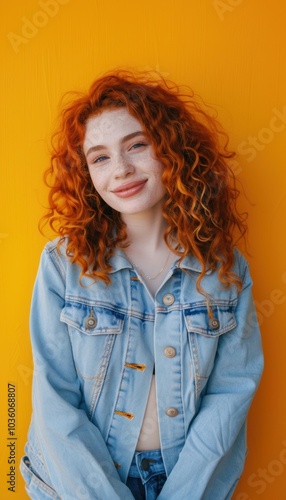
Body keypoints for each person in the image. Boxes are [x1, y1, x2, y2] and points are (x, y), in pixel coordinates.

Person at [21, 70, 263, 500]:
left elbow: (232, 392)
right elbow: (54, 398)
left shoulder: (226, 268)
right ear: (87, 174)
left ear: (171, 149)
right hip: (76, 481)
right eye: (100, 157)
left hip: (190, 479)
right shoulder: (63, 263)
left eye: (136, 145)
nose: (122, 169)